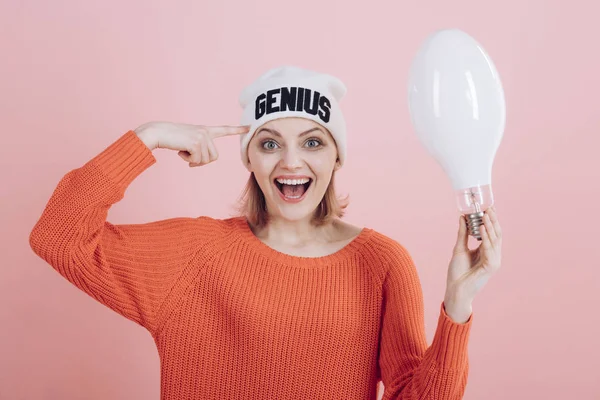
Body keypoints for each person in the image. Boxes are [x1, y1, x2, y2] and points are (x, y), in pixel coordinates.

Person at [29, 66, 502, 400]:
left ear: (337, 158)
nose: (291, 163)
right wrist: (147, 137)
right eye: (270, 143)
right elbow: (58, 236)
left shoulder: (381, 262)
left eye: (313, 142)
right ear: (249, 159)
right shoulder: (196, 254)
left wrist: (457, 309)